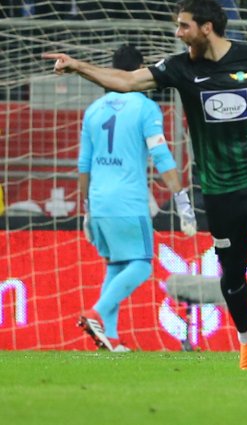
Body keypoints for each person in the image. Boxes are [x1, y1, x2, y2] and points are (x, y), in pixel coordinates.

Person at [45, 0, 247, 371]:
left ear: (206, 28)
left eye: (184, 26)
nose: (178, 33)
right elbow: (126, 80)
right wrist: (77, 66)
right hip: (217, 188)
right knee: (232, 270)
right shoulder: (180, 68)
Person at [77, 44, 197, 353]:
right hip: (128, 200)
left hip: (98, 200)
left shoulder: (94, 110)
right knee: (142, 266)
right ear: (140, 70)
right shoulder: (145, 107)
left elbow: (84, 165)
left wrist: (86, 209)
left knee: (116, 266)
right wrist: (181, 200)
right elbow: (162, 156)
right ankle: (96, 314)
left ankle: (110, 337)